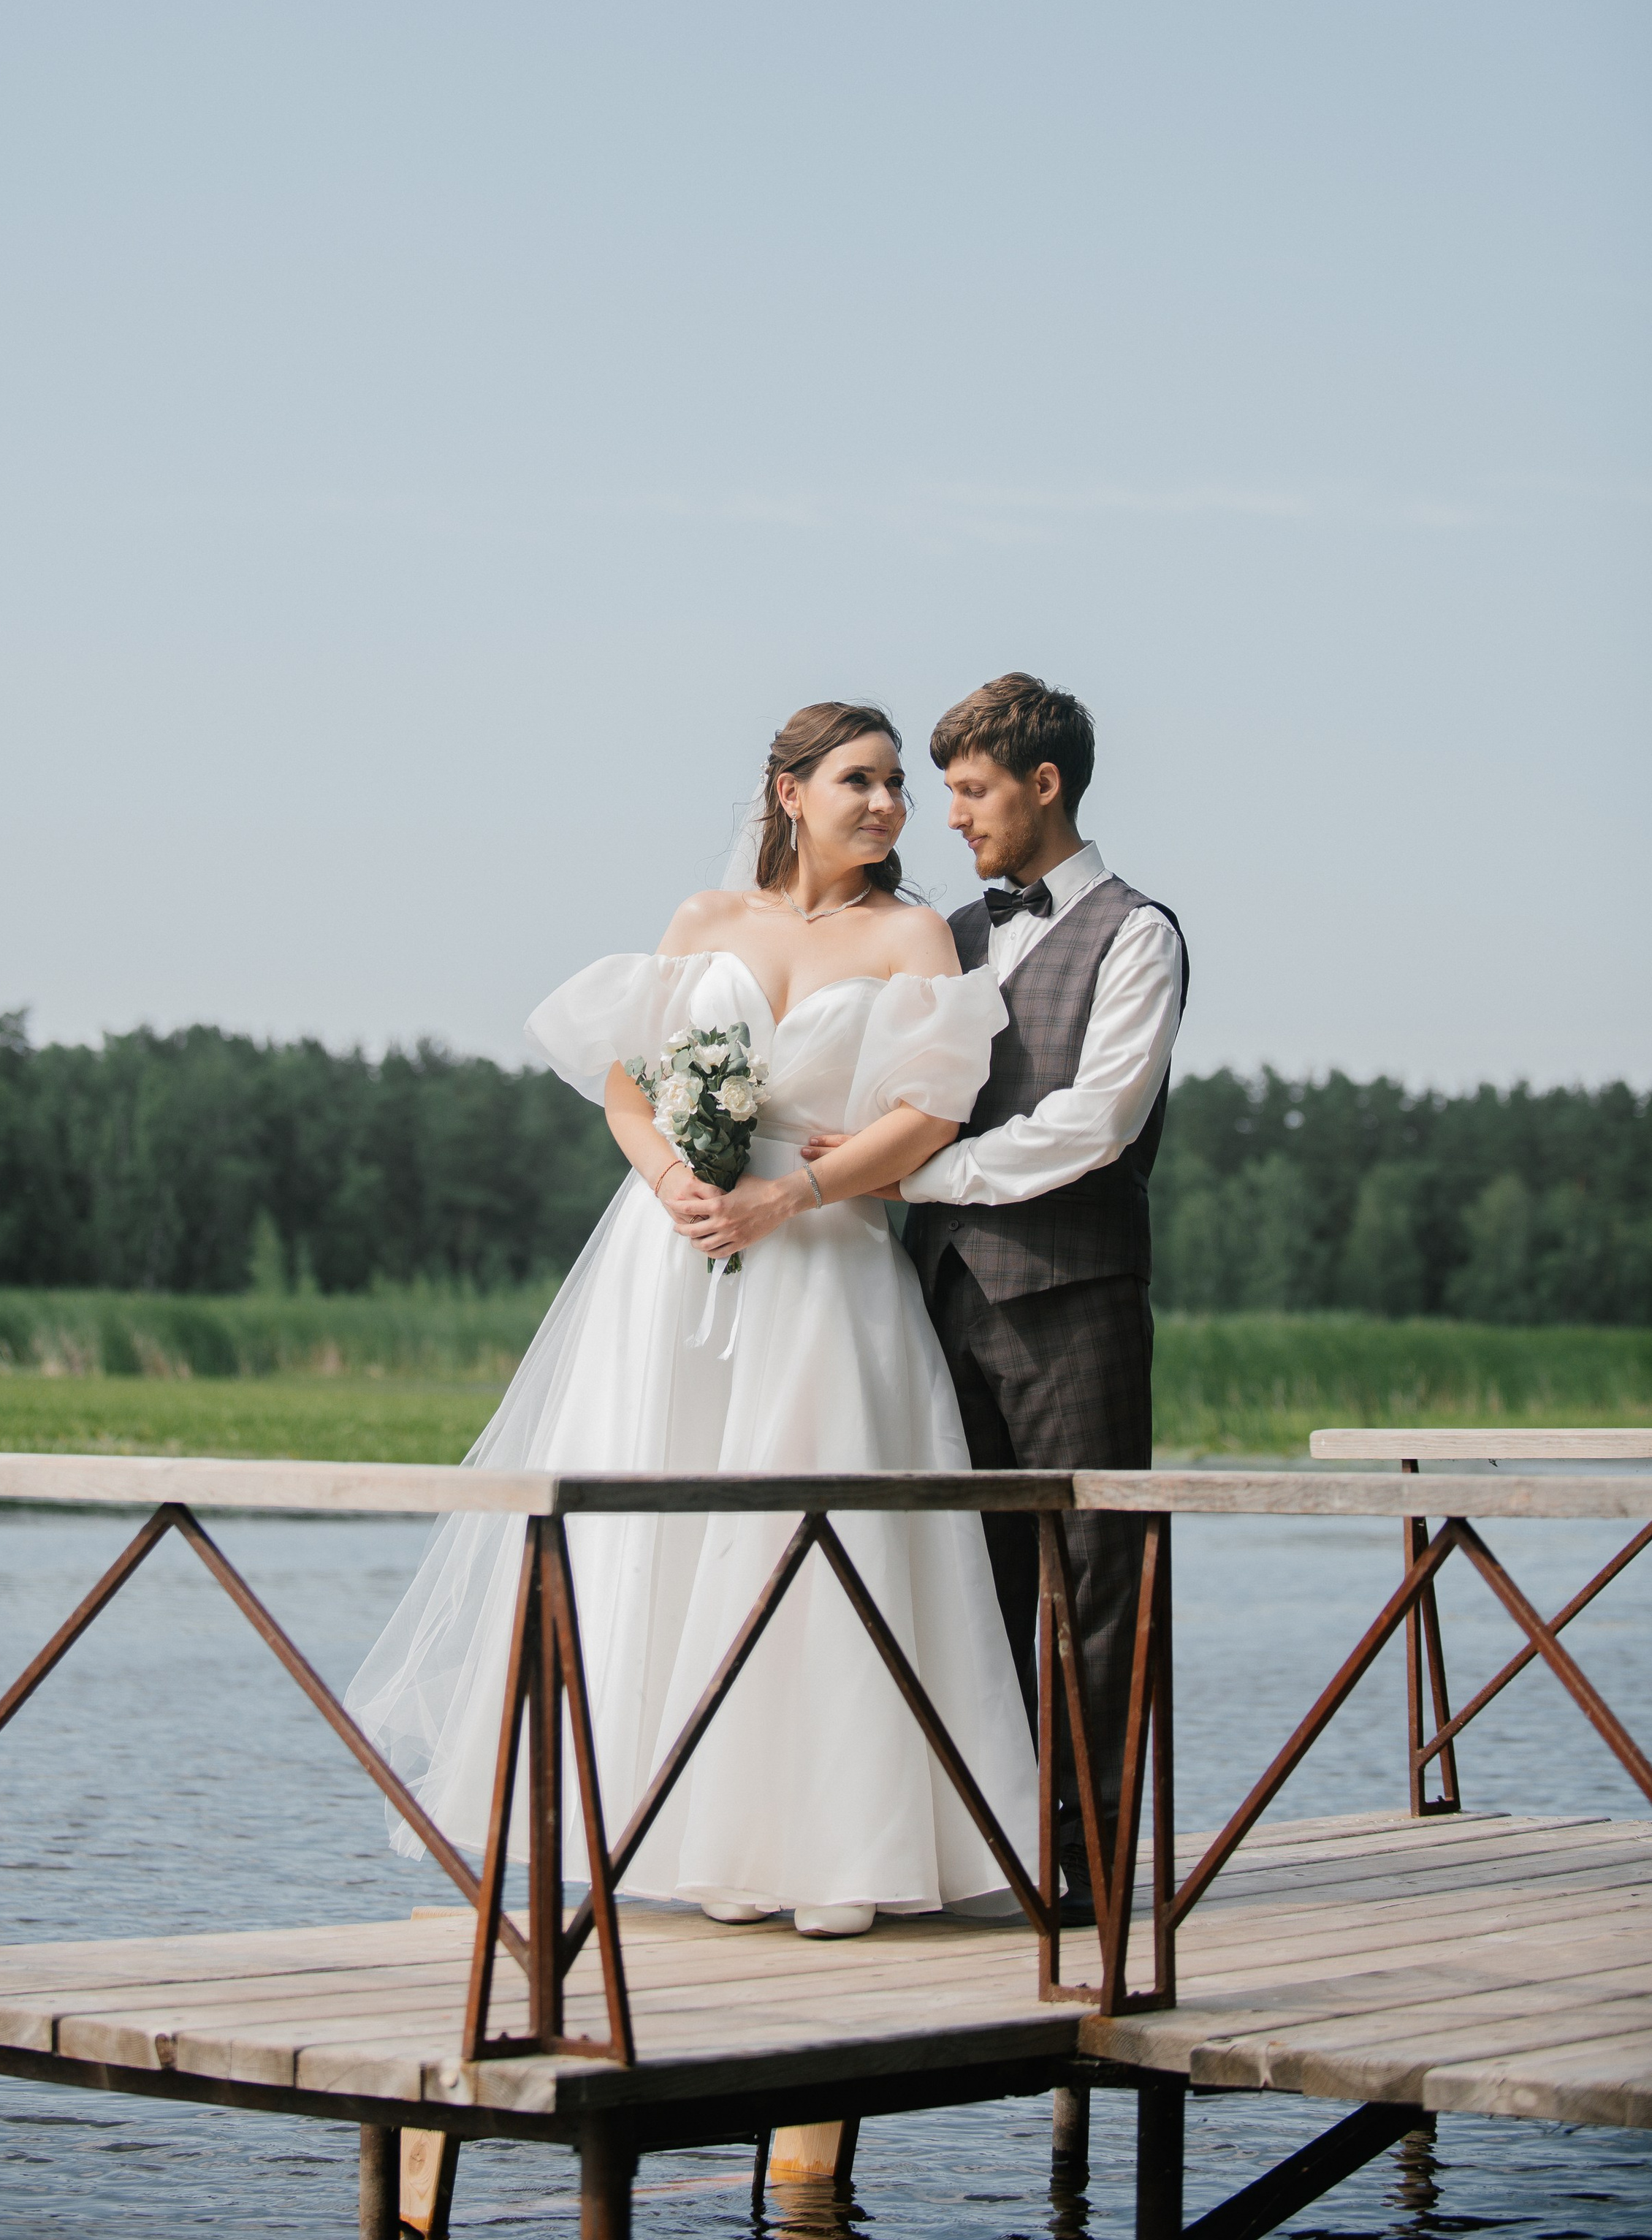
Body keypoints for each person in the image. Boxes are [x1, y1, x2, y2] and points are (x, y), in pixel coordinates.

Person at [348, 701, 1037, 1939]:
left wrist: (793, 1195)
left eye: (895, 784)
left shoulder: (914, 934)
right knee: (659, 1534)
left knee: (810, 1530)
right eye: (860, 781)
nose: (889, 806)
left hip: (823, 1257)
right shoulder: (704, 921)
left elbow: (932, 1115)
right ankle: (689, 1835)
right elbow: (629, 1087)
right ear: (789, 793)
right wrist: (671, 1178)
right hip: (672, 1262)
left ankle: (839, 1851)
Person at [897, 673, 1186, 1926]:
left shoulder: (1139, 933)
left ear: (1045, 783)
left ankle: (1097, 1877)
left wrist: (929, 1176)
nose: (953, 816)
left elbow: (1098, 1122)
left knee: (1099, 1580)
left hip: (1076, 1301)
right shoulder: (947, 934)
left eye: (972, 791)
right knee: (973, 1583)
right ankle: (996, 1854)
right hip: (935, 1299)